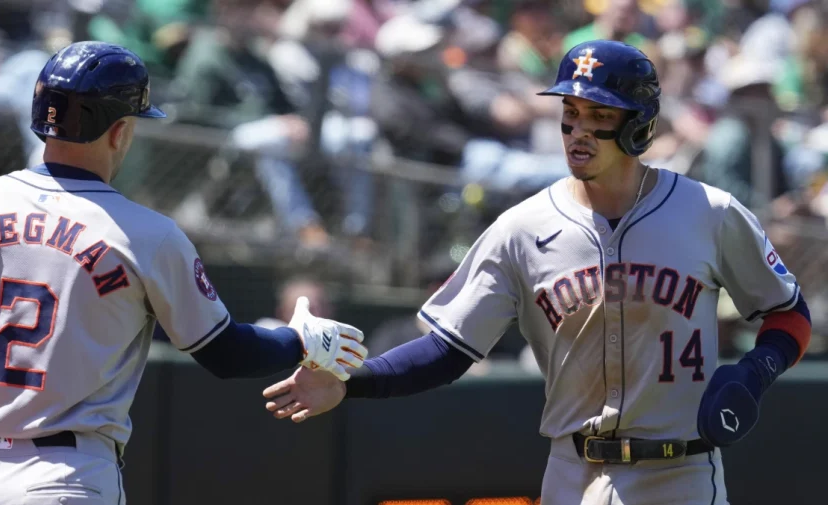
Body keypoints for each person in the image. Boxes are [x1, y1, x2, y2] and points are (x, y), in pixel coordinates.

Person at [0, 41, 367, 505]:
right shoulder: (147, 234)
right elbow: (227, 354)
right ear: (120, 130)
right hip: (69, 479)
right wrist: (299, 340)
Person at [262, 40, 811, 505]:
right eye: (570, 112)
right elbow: (447, 351)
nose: (578, 130)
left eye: (600, 117)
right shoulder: (521, 228)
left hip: (682, 474)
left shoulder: (708, 212)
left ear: (639, 125)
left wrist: (754, 373)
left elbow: (788, 313)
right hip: (572, 474)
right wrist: (351, 383)